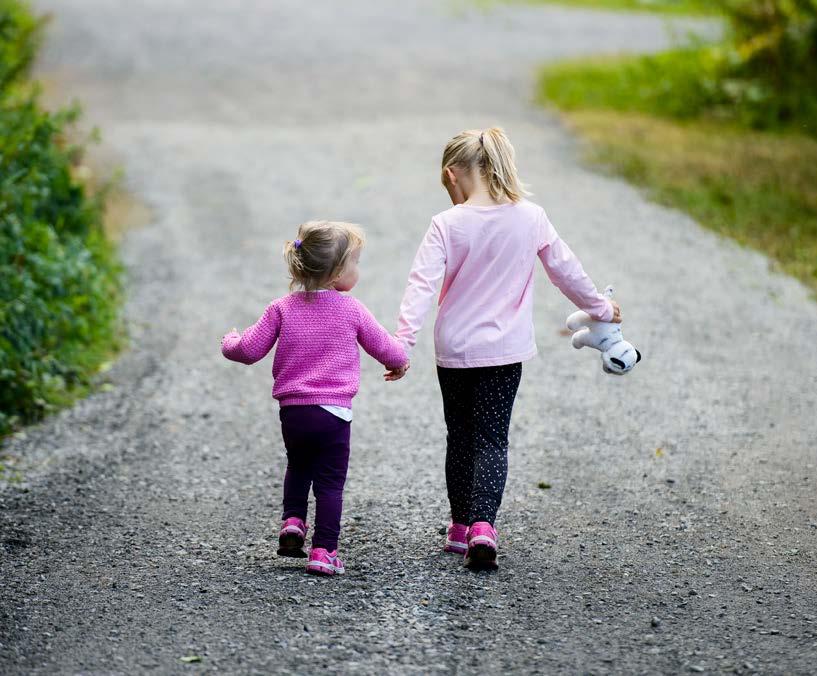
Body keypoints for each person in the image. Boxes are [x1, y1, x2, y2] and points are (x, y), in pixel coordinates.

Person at [395, 127, 621, 571]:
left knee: (459, 436)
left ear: (451, 174)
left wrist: (402, 344)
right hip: (503, 351)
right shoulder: (531, 216)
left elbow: (420, 286)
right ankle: (484, 526)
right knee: (492, 438)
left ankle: (460, 529)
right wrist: (602, 307)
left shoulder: (446, 224)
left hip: (455, 350)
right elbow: (565, 271)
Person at [222, 220, 409, 576]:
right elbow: (384, 345)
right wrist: (399, 362)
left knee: (298, 463)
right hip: (334, 414)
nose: (358, 270)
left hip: (294, 413)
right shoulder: (351, 308)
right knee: (329, 483)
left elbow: (248, 350)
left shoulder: (281, 308)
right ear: (338, 271)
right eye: (355, 262)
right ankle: (324, 550)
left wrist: (229, 341)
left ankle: (292, 521)